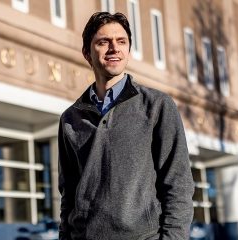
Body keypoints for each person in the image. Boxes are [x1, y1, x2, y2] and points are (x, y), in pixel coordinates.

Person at [58, 12, 194, 240]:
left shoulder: (157, 106)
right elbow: (68, 194)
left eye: (121, 42)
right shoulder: (70, 119)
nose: (114, 48)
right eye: (103, 42)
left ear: (128, 51)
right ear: (87, 53)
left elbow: (178, 183)